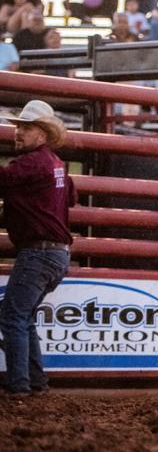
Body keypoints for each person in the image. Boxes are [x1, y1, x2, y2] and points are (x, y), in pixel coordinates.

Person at [0, 100, 75, 396]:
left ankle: (19, 386)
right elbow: (69, 197)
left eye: (26, 128)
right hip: (56, 254)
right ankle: (37, 382)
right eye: (18, 127)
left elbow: (4, 179)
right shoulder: (56, 164)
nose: (18, 133)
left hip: (39, 253)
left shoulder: (29, 164)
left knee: (12, 316)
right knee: (23, 315)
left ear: (41, 135)